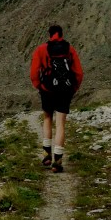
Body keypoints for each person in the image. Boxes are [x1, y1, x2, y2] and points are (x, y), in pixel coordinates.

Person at [30, 24, 83, 172]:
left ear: (49, 34)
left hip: (47, 89)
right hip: (65, 90)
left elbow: (34, 72)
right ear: (61, 34)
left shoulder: (41, 49)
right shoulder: (69, 49)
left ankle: (47, 155)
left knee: (47, 118)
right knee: (61, 124)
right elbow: (78, 72)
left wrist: (38, 85)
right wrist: (73, 88)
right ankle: (57, 161)